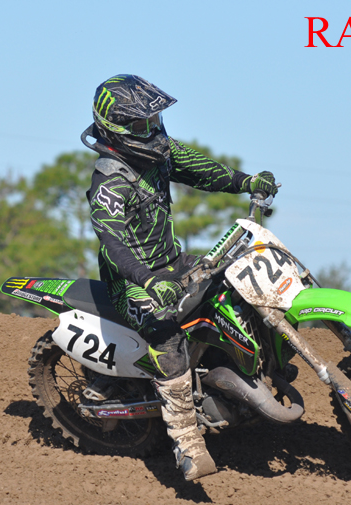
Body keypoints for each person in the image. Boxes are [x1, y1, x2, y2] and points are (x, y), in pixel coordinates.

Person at [81, 74, 278, 481]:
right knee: (167, 339)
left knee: (236, 284)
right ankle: (187, 443)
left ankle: (244, 373)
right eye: (142, 124)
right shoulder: (110, 182)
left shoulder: (159, 152)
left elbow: (202, 169)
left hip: (173, 262)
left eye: (154, 120)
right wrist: (147, 280)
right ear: (116, 128)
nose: (153, 129)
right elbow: (112, 242)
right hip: (132, 281)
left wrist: (245, 182)